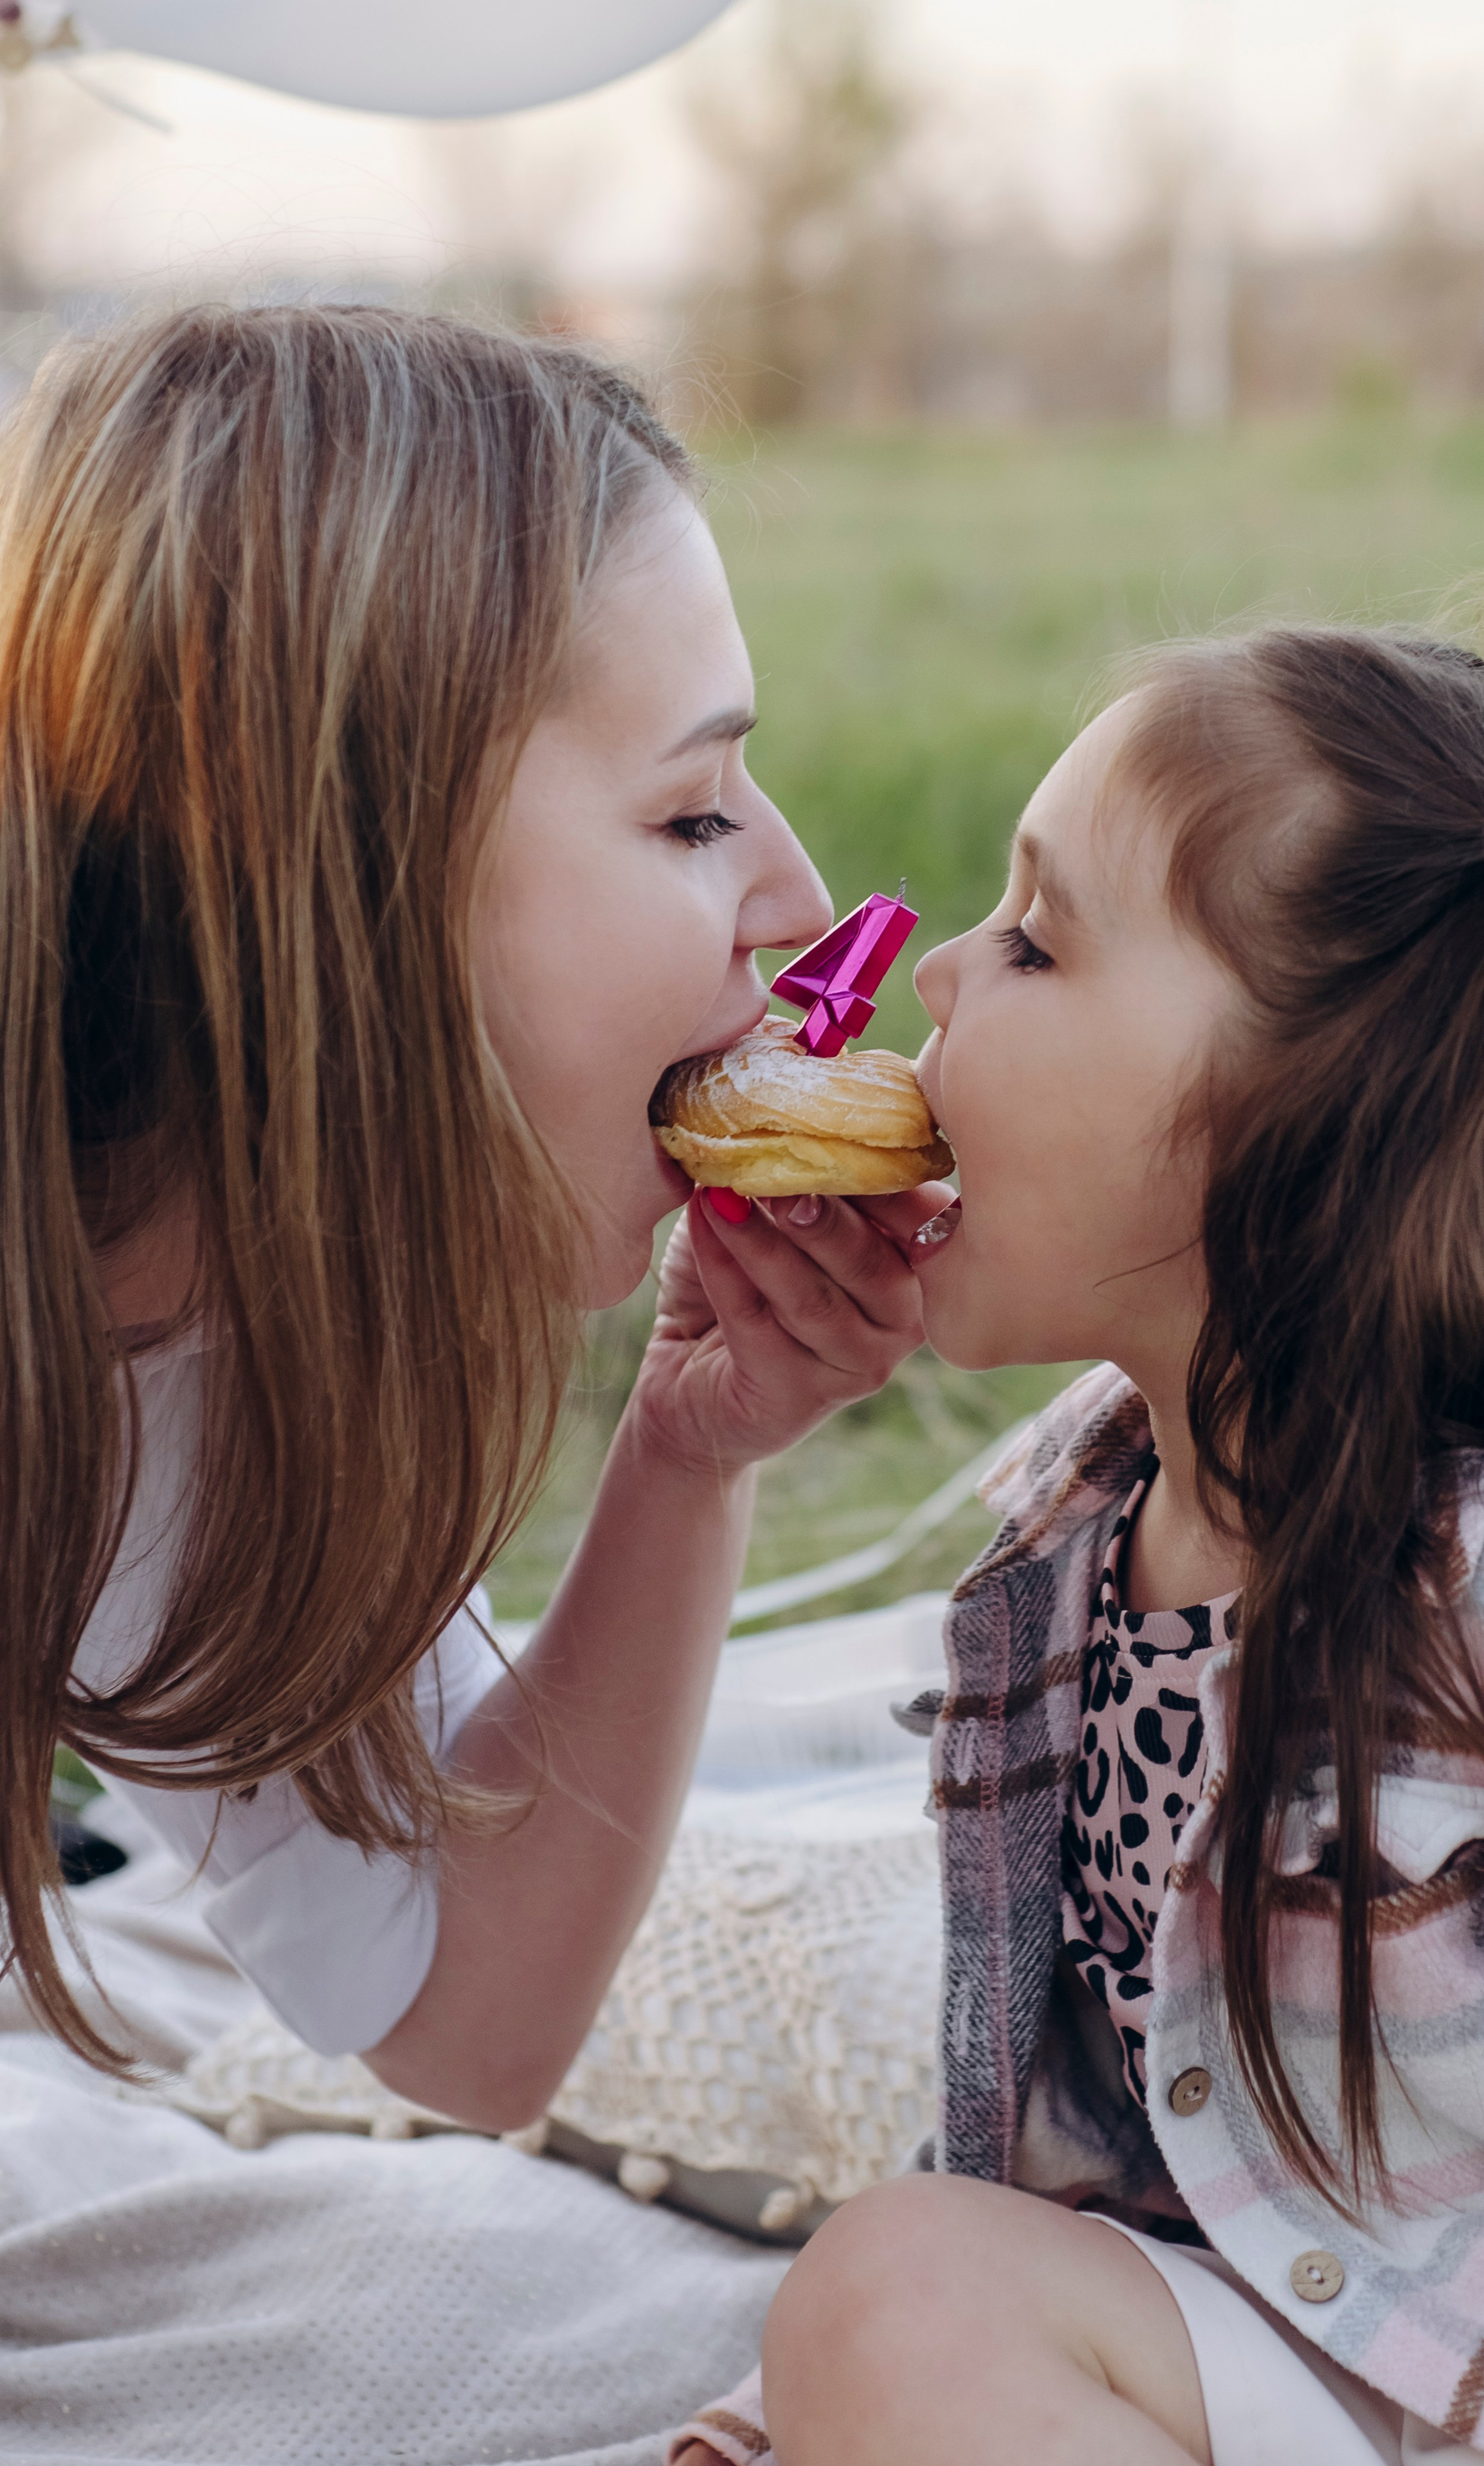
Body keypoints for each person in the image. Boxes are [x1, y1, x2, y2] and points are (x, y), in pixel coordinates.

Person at [676, 543, 1484, 2466]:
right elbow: (1101, 2181)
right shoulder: (1066, 1548)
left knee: (898, 2290)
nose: (937, 973)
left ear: (1312, 1117)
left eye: (1038, 942)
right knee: (895, 2295)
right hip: (1286, 2363)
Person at [8, 303, 948, 2130]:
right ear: (336, 867)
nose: (799, 891)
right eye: (689, 814)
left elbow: (459, 2015)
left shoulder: (212, 1360)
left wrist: (690, 1455)